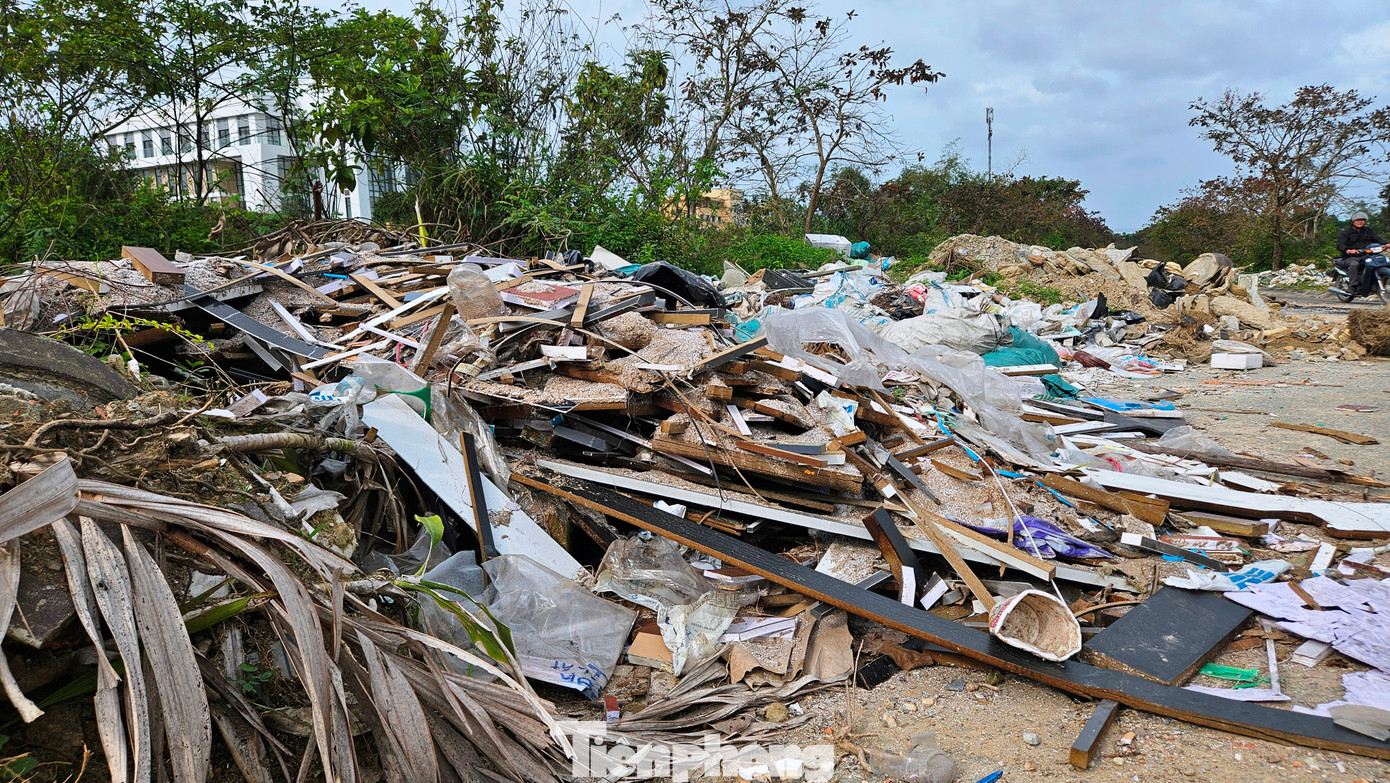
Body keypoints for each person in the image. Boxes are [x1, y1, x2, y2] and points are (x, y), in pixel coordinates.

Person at [1336, 211, 1385, 295]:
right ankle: (1352, 285)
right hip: (1350, 257)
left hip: (1366, 255)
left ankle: (1374, 283)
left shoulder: (1368, 231)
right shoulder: (1346, 232)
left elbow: (1378, 239)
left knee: (1380, 261)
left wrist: (1385, 244)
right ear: (1353, 222)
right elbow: (1340, 244)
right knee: (1354, 264)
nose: (1360, 222)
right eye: (1357, 220)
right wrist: (1348, 250)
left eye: (1362, 220)